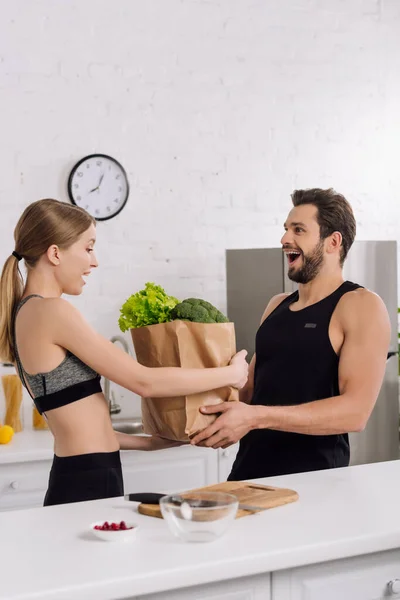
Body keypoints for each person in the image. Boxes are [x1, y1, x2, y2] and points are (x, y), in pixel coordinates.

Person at [0, 198, 248, 505]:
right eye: (88, 248)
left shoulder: (26, 313)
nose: (94, 261)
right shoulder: (51, 311)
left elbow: (80, 428)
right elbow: (143, 381)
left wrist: (150, 444)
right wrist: (232, 374)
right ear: (55, 253)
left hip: (80, 474)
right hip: (88, 478)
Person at [191, 188, 391, 480]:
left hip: (314, 483)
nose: (285, 239)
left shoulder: (360, 305)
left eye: (299, 230)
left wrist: (256, 418)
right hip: (248, 475)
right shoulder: (277, 304)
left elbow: (355, 412)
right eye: (286, 229)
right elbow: (248, 392)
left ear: (333, 242)